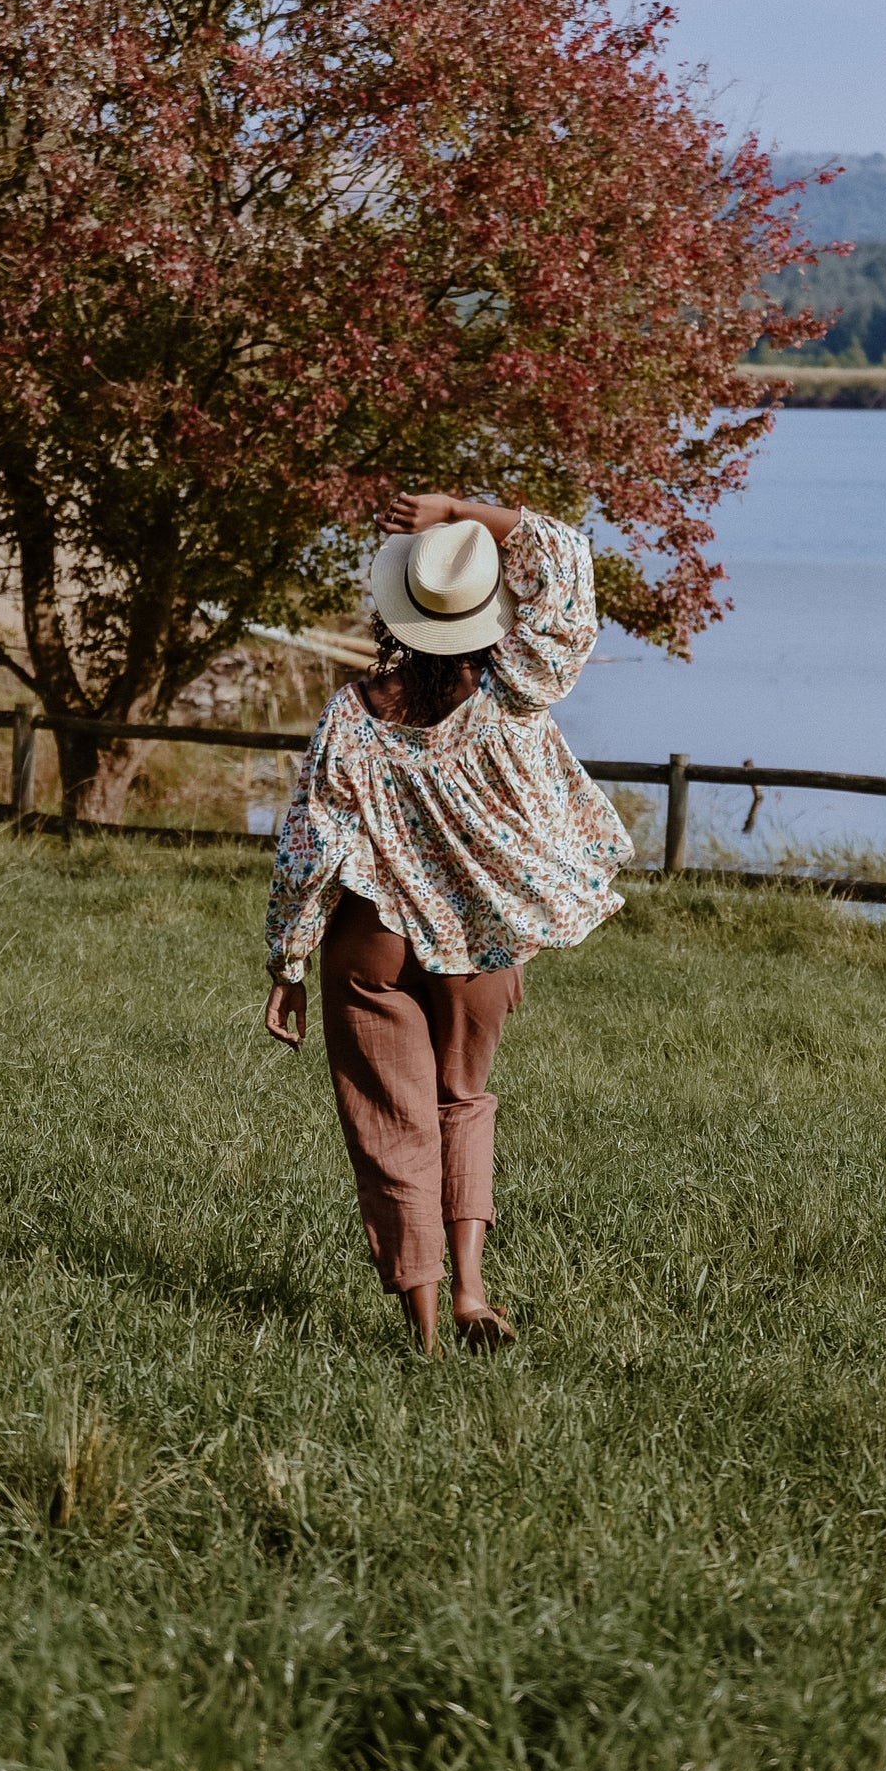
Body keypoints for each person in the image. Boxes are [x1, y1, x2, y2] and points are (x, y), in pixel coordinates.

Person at [263, 491, 634, 1353]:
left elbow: (310, 843)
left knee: (392, 1128)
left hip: (373, 939)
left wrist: (287, 961)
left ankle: (424, 1331)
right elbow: (567, 560)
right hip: (477, 943)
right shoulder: (516, 690)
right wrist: (460, 510)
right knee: (460, 1101)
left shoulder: (355, 712)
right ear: (490, 611)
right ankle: (472, 1294)